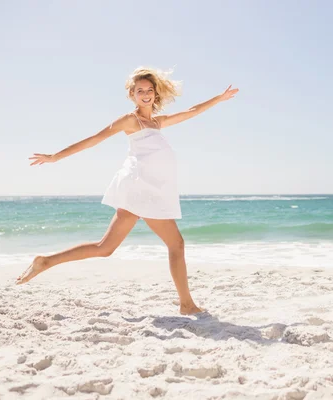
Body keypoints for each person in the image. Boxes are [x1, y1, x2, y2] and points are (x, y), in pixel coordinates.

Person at [15, 66, 238, 315]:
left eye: (149, 90)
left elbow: (191, 112)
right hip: (141, 189)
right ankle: (186, 305)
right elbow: (95, 138)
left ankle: (46, 261)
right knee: (176, 244)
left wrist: (218, 98)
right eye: (140, 90)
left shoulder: (157, 122)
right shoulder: (131, 120)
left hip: (146, 190)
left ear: (155, 94)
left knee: (105, 248)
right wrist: (56, 157)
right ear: (132, 94)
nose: (145, 94)